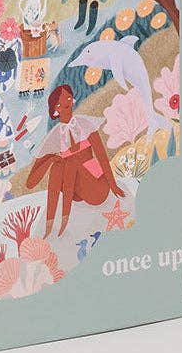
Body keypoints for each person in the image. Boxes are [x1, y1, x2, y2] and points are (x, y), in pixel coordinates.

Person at [26, 84, 125, 238]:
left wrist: (113, 185)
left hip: (96, 183)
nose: (65, 103)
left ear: (72, 100)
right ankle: (50, 223)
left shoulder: (85, 124)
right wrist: (50, 158)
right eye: (60, 103)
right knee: (58, 165)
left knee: (69, 163)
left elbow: (102, 156)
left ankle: (63, 218)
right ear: (55, 109)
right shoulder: (54, 136)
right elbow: (30, 183)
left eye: (68, 98)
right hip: (74, 192)